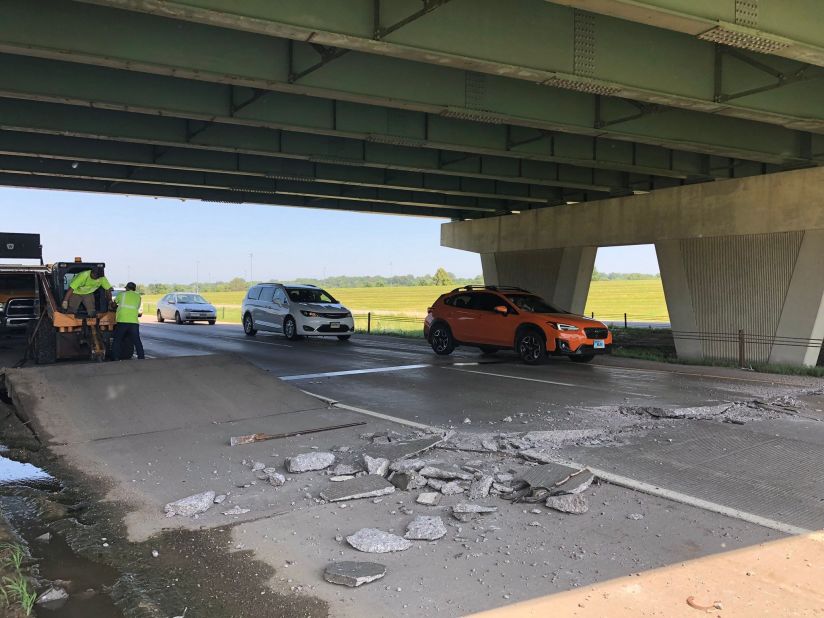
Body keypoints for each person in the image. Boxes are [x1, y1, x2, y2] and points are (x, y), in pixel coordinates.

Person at [111, 282, 145, 360]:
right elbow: (137, 306)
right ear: (134, 289)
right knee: (137, 340)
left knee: (118, 339)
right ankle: (141, 357)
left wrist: (113, 305)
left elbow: (113, 305)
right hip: (134, 321)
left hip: (122, 320)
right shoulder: (138, 296)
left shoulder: (122, 294)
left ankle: (115, 357)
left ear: (127, 288)